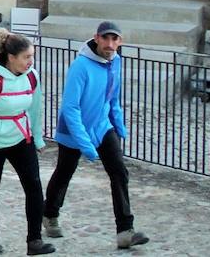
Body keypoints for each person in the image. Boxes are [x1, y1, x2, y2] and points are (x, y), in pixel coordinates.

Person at [42, 22, 147, 250]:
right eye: (106, 39)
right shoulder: (80, 66)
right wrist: (84, 143)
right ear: (96, 38)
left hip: (101, 125)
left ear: (120, 41)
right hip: (73, 128)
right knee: (65, 172)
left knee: (119, 171)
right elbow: (70, 107)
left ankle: (125, 231)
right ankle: (49, 214)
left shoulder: (116, 62)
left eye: (115, 40)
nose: (110, 45)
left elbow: (113, 97)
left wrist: (118, 122)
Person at [0, 28, 55, 256]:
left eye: (32, 56)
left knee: (34, 186)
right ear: (11, 58)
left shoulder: (32, 76)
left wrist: (37, 138)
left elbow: (36, 109)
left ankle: (34, 241)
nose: (31, 61)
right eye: (27, 57)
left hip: (21, 137)